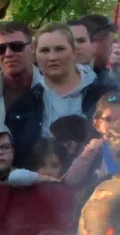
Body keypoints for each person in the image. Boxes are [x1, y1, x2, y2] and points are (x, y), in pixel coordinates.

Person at [6, 24, 106, 166]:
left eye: (60, 49)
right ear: (35, 55)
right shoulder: (22, 107)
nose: (52, 57)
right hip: (39, 185)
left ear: (73, 52)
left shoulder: (102, 96)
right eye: (45, 50)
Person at [0, 22, 39, 121]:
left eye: (16, 46)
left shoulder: (53, 90)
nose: (8, 54)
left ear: (32, 48)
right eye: (0, 49)